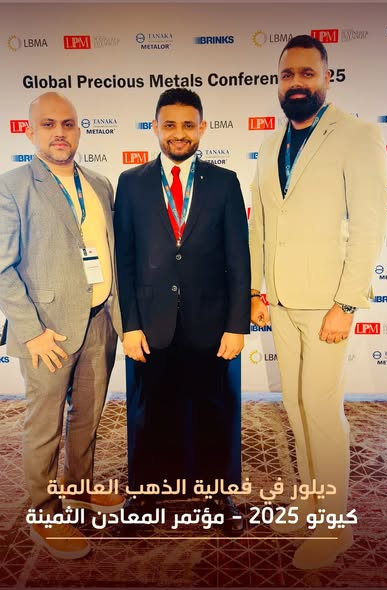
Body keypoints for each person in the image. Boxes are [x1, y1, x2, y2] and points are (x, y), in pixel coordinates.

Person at [249, 35, 387, 569]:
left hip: (328, 304)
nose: (297, 83)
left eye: (308, 73)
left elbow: (369, 228)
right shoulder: (270, 145)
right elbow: (261, 224)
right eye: (288, 75)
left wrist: (346, 304)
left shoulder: (357, 135)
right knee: (296, 406)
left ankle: (334, 526)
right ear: (278, 82)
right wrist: (257, 290)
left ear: (327, 78)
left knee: (323, 412)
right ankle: (311, 502)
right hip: (281, 302)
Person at [0, 91, 124, 559]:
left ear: (78, 130)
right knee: (44, 426)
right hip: (47, 332)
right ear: (30, 132)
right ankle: (44, 513)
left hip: (99, 321)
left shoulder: (100, 184)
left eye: (67, 124)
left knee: (88, 417)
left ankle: (78, 489)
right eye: (48, 124)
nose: (59, 133)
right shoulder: (9, 187)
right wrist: (32, 331)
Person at [114, 88, 251, 535]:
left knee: (216, 409)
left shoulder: (225, 182)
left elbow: (239, 258)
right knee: (148, 411)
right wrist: (130, 325)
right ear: (155, 127)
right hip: (150, 322)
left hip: (212, 323)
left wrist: (236, 325)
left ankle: (218, 493)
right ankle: (144, 495)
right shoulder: (131, 183)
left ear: (202, 128)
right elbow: (124, 261)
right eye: (169, 125)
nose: (179, 133)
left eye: (188, 125)